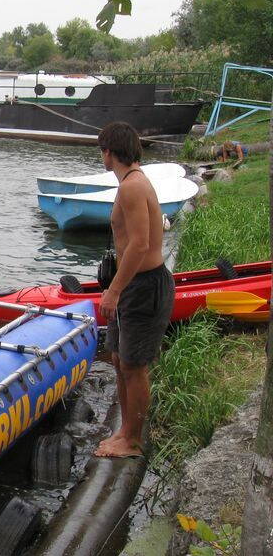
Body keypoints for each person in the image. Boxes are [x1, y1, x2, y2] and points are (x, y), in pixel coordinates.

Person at [95, 122, 175, 458]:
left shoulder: (132, 186)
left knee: (133, 365)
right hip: (131, 284)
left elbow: (140, 245)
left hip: (144, 285)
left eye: (102, 151)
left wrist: (113, 291)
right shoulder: (132, 182)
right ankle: (125, 431)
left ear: (109, 152)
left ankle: (133, 441)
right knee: (118, 358)